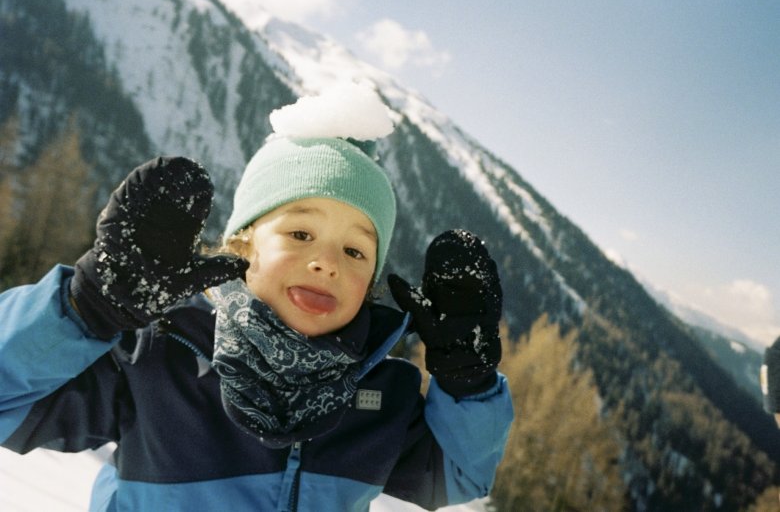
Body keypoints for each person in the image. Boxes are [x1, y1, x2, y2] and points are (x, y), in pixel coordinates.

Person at [0, 83, 513, 511]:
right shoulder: (157, 356)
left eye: (356, 251)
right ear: (242, 243)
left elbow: (459, 475)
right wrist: (85, 308)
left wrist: (467, 380)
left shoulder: (383, 393)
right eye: (300, 235)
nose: (327, 263)